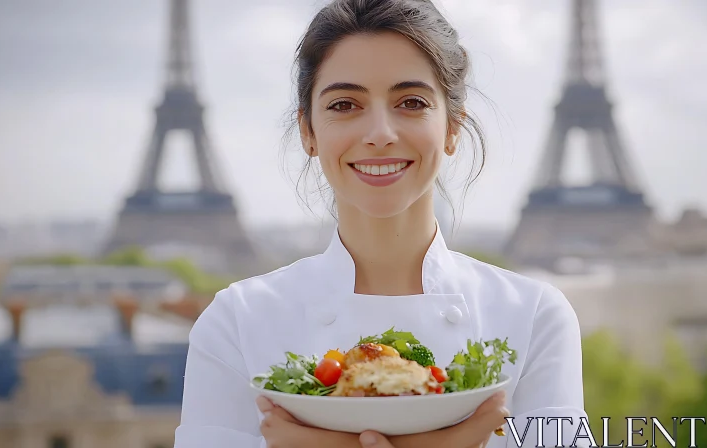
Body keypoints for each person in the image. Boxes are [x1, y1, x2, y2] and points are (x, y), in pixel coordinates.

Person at [174, 0, 587, 447]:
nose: (380, 132)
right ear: (308, 132)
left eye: (410, 102)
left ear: (452, 128)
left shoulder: (536, 318)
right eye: (345, 104)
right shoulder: (235, 323)